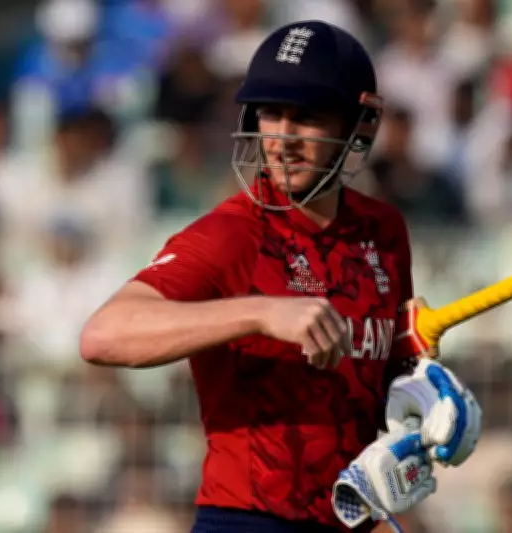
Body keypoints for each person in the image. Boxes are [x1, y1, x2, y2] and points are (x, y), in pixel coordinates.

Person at [80, 20, 482, 533]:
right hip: (247, 520)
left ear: (361, 125)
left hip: (355, 518)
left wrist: (427, 406)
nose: (283, 139)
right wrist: (261, 313)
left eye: (308, 117)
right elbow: (102, 336)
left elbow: (374, 388)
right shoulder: (231, 234)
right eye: (271, 113)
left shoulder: (384, 231)